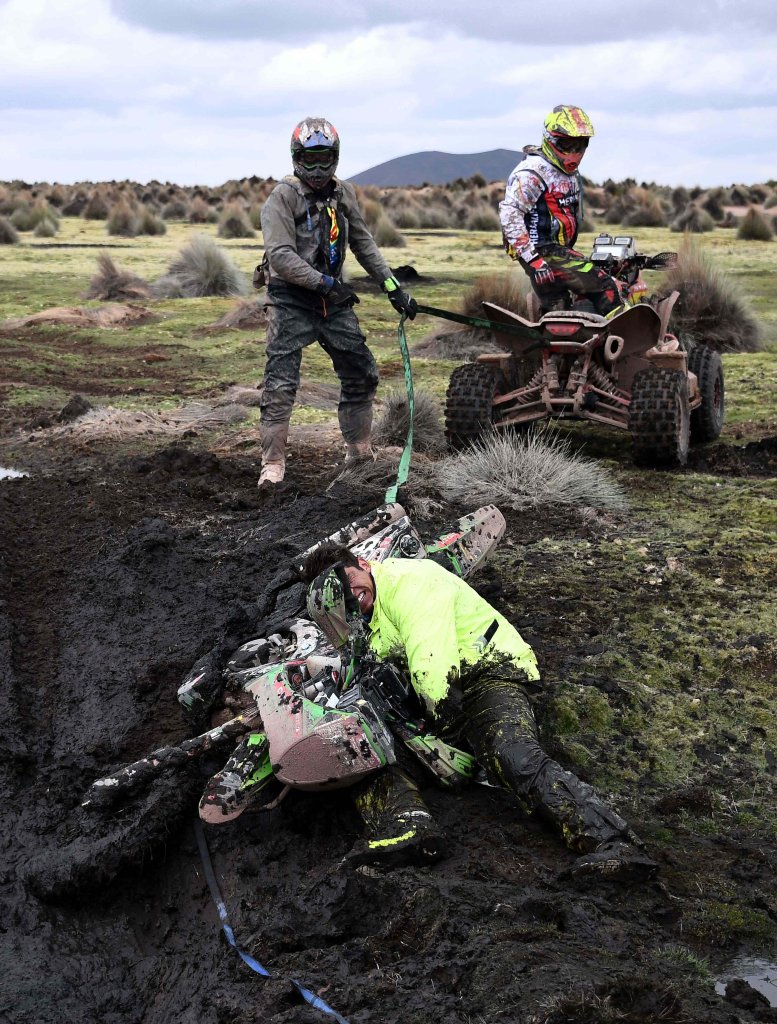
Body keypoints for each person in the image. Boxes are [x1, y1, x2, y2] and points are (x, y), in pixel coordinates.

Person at [303, 545, 657, 879]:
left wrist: (442, 734)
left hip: (488, 673)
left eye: (352, 581)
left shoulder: (411, 582)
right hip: (436, 697)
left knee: (511, 753)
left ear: (364, 564)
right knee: (365, 754)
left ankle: (613, 842)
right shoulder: (362, 615)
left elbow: (432, 671)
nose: (352, 595)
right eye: (343, 596)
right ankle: (410, 829)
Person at [257, 116, 417, 486]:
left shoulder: (343, 194)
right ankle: (273, 466)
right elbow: (280, 256)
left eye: (324, 158)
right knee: (281, 383)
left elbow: (362, 242)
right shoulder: (282, 197)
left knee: (361, 371)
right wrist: (326, 284)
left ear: (336, 156)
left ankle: (358, 453)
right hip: (290, 300)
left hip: (332, 301)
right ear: (296, 157)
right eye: (309, 159)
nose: (317, 168)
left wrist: (392, 286)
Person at [500, 104, 622, 318]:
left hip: (553, 252)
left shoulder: (565, 171)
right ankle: (626, 334)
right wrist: (535, 261)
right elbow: (510, 216)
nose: (574, 153)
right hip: (543, 252)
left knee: (560, 310)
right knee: (606, 287)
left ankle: (565, 337)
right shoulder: (532, 172)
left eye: (580, 144)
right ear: (550, 140)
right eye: (566, 144)